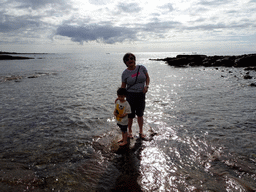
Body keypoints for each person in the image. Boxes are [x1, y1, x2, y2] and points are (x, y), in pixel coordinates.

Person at [121, 53, 150, 139]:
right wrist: (121, 98)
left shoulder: (142, 68)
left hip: (141, 95)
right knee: (130, 115)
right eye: (127, 59)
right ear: (125, 62)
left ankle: (141, 131)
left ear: (134, 59)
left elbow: (147, 78)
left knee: (140, 114)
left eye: (132, 58)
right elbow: (123, 87)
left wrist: (146, 86)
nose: (130, 60)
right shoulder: (125, 73)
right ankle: (130, 131)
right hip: (130, 95)